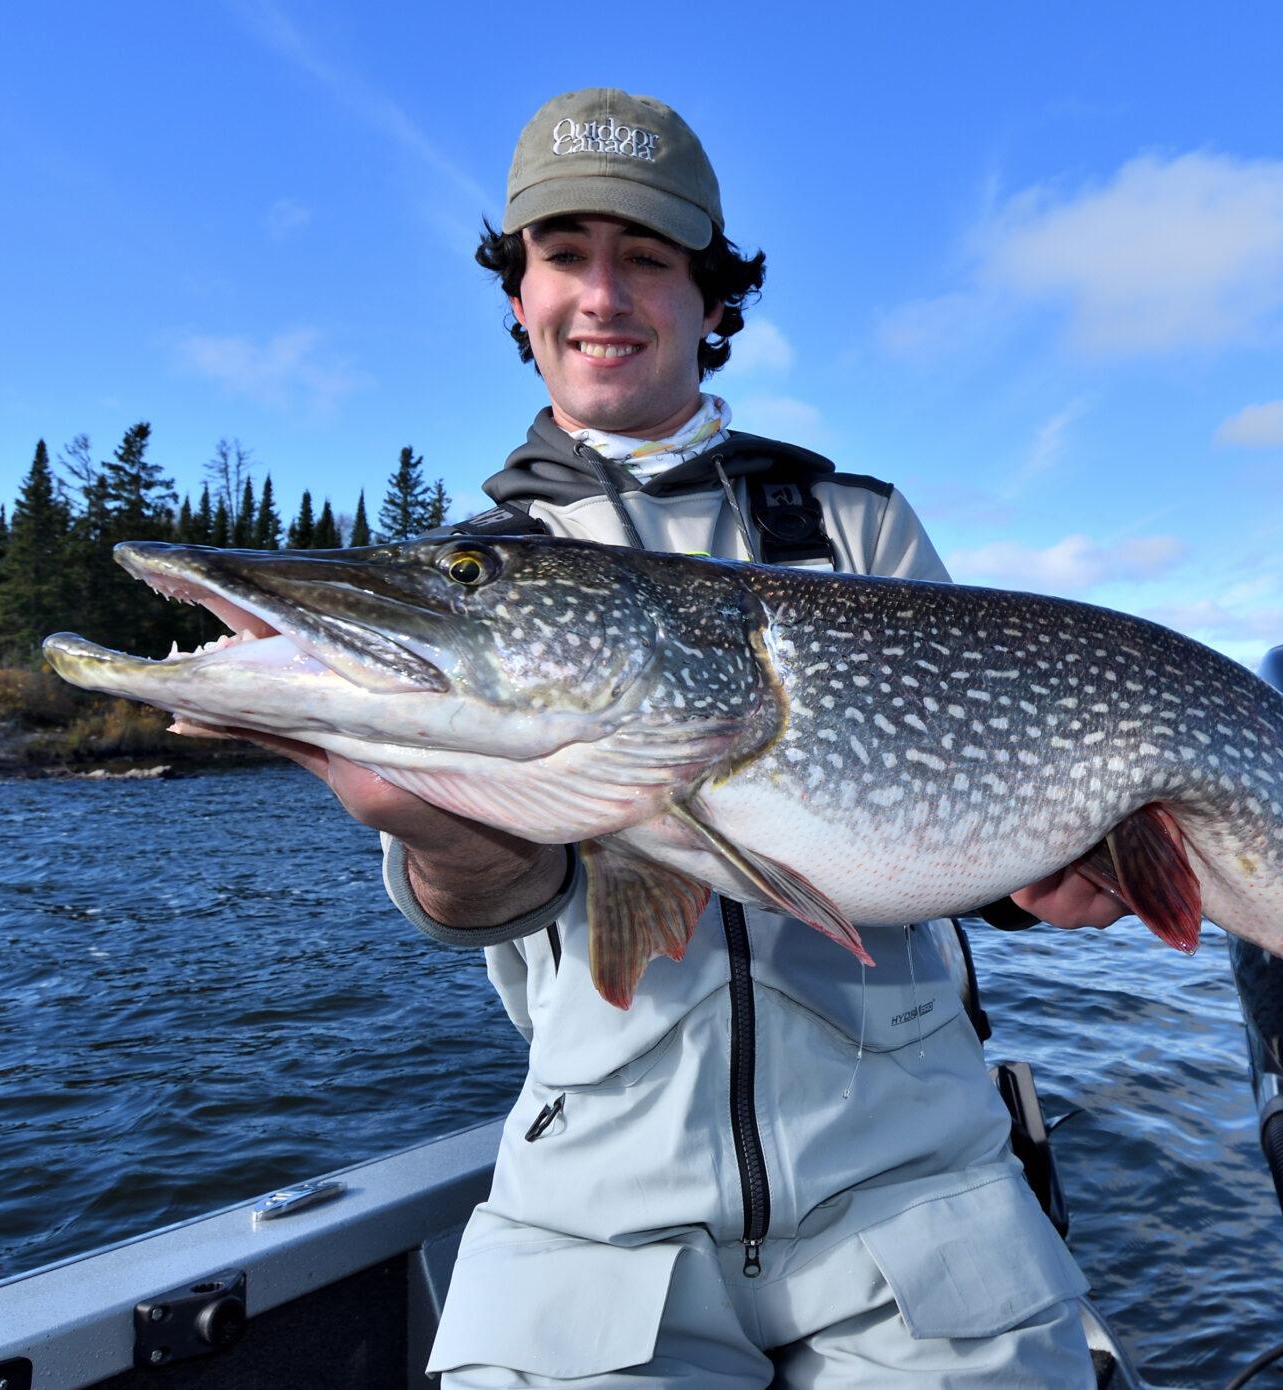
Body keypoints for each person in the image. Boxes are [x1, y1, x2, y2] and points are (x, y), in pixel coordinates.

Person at [262, 88, 1121, 1387]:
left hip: (913, 1197)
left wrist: (1055, 863)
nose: (600, 293)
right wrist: (446, 835)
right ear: (517, 295)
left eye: (645, 257)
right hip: (595, 1219)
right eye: (563, 254)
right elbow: (477, 894)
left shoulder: (855, 531)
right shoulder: (471, 572)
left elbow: (968, 817)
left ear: (713, 297)